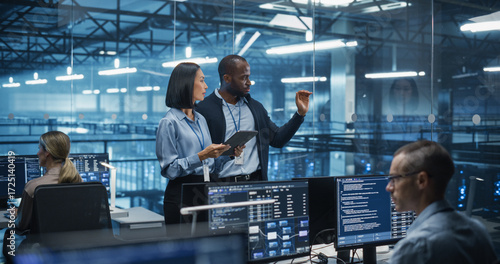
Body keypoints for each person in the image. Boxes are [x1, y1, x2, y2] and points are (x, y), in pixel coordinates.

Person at [196, 55, 312, 182]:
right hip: (221, 185)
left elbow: (278, 139)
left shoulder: (256, 108)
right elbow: (199, 155)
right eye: (243, 78)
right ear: (227, 78)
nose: (249, 82)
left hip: (255, 182)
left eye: (249, 77)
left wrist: (300, 114)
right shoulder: (203, 110)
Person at [156, 62, 242, 228]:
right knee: (183, 250)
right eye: (201, 80)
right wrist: (202, 155)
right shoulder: (169, 122)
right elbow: (170, 170)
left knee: (205, 248)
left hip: (206, 191)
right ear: (187, 84)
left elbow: (212, 166)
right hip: (181, 195)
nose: (206, 85)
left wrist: (228, 154)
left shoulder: (201, 119)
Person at [386, 140, 497, 264]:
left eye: (395, 179)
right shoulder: (478, 231)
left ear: (421, 180)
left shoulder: (415, 247)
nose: (389, 187)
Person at [15, 131, 82, 232]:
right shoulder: (78, 181)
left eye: (39, 148)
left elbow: (21, 225)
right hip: (75, 243)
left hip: (41, 246)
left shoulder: (33, 187)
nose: (38, 153)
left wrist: (18, 215)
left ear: (47, 152)